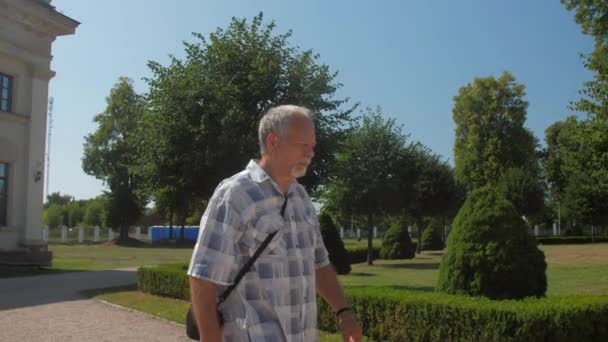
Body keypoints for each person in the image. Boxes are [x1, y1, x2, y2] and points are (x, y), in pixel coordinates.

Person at [187, 105, 362, 342]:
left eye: (312, 146)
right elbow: (202, 277)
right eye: (303, 145)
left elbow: (319, 264)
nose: (311, 153)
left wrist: (344, 312)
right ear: (273, 142)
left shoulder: (302, 199)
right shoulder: (235, 195)